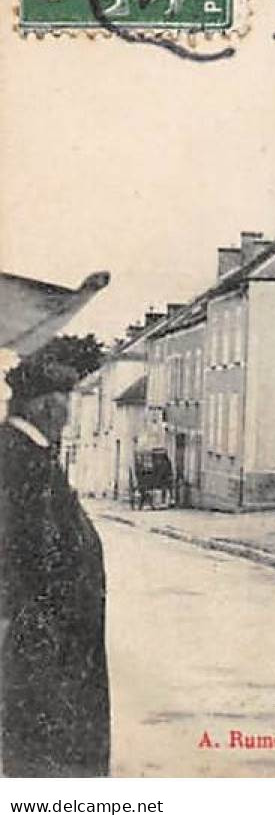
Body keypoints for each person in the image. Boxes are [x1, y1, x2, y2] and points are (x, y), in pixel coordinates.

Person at [1, 269, 111, 778]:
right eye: (65, 402)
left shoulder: (28, 456)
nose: (69, 414)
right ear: (47, 405)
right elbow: (27, 562)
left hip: (53, 659)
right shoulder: (20, 461)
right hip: (43, 667)